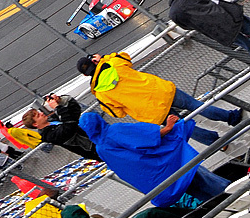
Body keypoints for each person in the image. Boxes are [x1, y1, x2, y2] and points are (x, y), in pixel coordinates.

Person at [77, 52, 241, 146]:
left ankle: (218, 143)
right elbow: (126, 57)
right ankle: (231, 117)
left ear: (86, 75)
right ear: (94, 60)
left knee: (185, 126)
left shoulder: (100, 94)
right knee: (197, 105)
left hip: (152, 112)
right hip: (162, 91)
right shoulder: (113, 63)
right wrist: (104, 58)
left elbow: (117, 113)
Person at [79, 113, 230, 206]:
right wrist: (168, 128)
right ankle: (237, 193)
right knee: (205, 180)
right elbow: (146, 138)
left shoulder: (101, 149)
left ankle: (225, 204)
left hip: (158, 179)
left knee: (198, 191)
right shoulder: (115, 131)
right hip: (169, 164)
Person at [154, 0, 250, 51]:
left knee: (246, 44)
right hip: (228, 15)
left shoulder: (174, 14)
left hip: (217, 31)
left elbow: (187, 26)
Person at [22, 95, 100, 161]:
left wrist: (61, 101)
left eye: (39, 112)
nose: (42, 113)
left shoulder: (53, 119)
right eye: (38, 115)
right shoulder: (48, 135)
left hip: (98, 137)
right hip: (94, 149)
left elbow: (75, 111)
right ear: (35, 124)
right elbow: (69, 127)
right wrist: (57, 107)